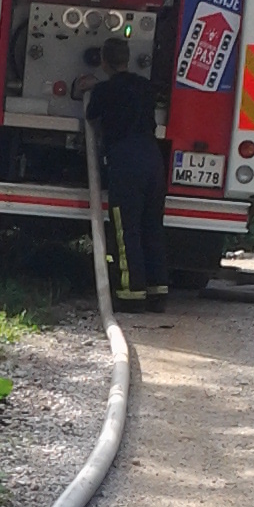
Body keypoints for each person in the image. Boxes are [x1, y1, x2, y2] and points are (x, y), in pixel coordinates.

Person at [86, 34, 168, 308]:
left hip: (126, 162)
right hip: (153, 160)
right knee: (152, 226)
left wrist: (89, 86)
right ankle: (158, 291)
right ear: (128, 59)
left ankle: (131, 294)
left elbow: (91, 114)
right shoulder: (144, 87)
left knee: (126, 229)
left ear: (104, 61)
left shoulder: (104, 90)